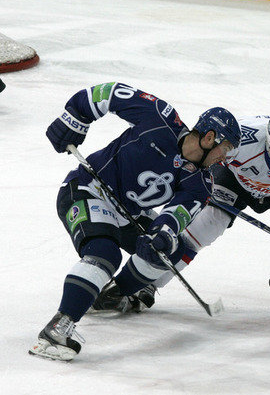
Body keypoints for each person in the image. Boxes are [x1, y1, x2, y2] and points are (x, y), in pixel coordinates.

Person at [29, 82, 240, 361]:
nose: (224, 158)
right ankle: (57, 329)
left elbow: (175, 216)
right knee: (104, 253)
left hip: (127, 211)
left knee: (169, 251)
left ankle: (111, 295)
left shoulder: (201, 183)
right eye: (225, 149)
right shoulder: (160, 117)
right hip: (87, 189)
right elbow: (109, 93)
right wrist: (75, 117)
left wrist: (161, 235)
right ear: (209, 138)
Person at [94, 109, 270, 311]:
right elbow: (202, 158)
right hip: (237, 180)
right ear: (267, 140)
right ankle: (147, 284)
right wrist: (199, 189)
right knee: (205, 226)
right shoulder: (244, 136)